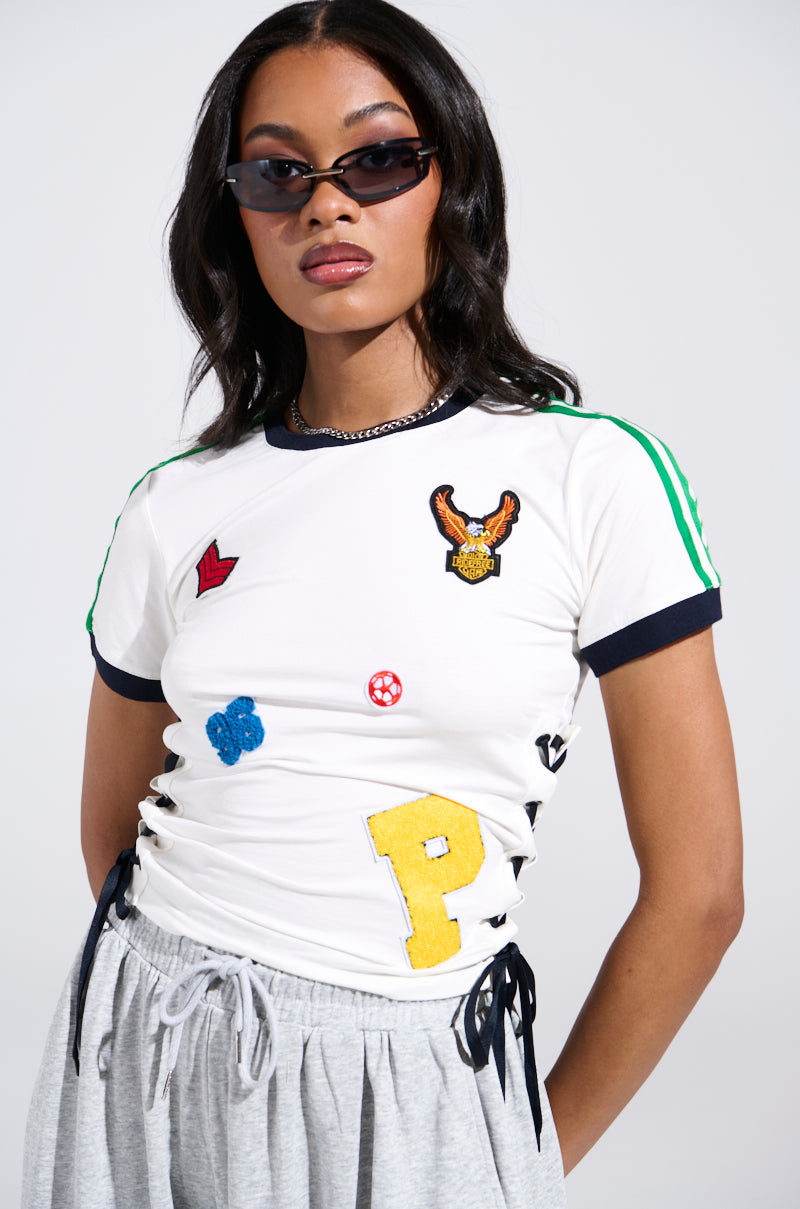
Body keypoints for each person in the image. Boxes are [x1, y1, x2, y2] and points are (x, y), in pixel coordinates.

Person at [22, 1, 743, 1206]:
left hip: (413, 1078)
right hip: (148, 1048)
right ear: (234, 214)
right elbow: (116, 837)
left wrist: (512, 1160)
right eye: (277, 171)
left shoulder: (589, 477)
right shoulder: (174, 507)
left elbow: (700, 896)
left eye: (376, 159)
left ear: (451, 185)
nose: (326, 205)